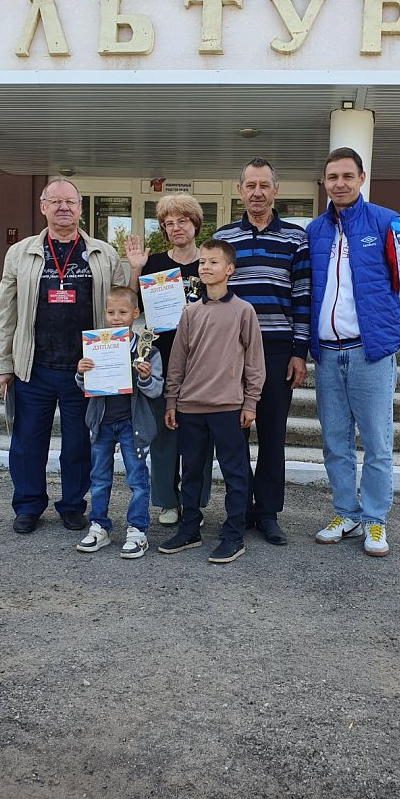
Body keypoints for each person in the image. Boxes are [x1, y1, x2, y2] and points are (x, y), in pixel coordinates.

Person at [0, 177, 141, 535]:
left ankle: (73, 505)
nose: (63, 207)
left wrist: (136, 270)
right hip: (33, 366)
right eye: (55, 201)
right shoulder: (21, 253)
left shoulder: (103, 253)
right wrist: (3, 364)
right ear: (43, 207)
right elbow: (5, 312)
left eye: (70, 202)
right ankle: (28, 505)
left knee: (79, 444)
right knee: (27, 443)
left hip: (86, 368)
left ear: (80, 208)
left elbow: (121, 305)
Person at [307, 147, 400, 557]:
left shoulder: (387, 221)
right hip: (327, 354)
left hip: (369, 353)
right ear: (324, 182)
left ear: (361, 178)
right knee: (335, 442)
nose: (339, 183)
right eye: (332, 177)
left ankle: (374, 519)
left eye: (347, 176)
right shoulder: (314, 231)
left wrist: (382, 324)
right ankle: (346, 513)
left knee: (377, 443)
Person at [214, 158, 310, 545]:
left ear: (276, 190)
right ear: (239, 190)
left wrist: (299, 350)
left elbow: (302, 296)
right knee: (234, 436)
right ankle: (239, 510)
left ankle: (267, 513)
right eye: (250, 185)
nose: (257, 192)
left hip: (277, 349)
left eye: (264, 185)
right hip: (231, 351)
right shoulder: (223, 238)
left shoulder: (295, 239)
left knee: (272, 435)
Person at [158, 239, 265, 564]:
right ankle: (190, 528)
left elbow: (254, 362)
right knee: (191, 471)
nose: (205, 267)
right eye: (202, 262)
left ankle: (233, 534)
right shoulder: (190, 312)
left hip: (228, 408)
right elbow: (178, 360)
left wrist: (250, 402)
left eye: (213, 262)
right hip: (190, 407)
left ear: (229, 269)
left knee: (235, 473)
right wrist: (172, 400)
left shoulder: (243, 311)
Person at [125, 194, 212, 526]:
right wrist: (135, 269)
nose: (176, 228)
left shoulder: (209, 262)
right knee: (164, 433)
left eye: (182, 221)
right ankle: (166, 502)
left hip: (201, 360)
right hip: (159, 360)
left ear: (195, 224)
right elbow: (129, 306)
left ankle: (194, 501)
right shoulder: (154, 264)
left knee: (199, 436)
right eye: (168, 223)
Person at [75, 286, 163, 558]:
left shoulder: (147, 350)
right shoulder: (96, 346)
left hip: (132, 425)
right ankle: (99, 526)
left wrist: (145, 377)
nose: (115, 318)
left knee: (137, 479)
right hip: (101, 423)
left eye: (122, 312)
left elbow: (156, 390)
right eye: (111, 312)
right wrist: (81, 372)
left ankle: (137, 530)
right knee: (99, 479)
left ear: (135, 313)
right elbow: (85, 386)